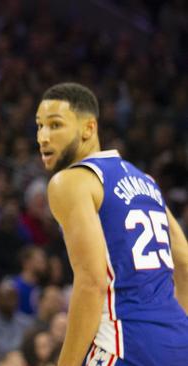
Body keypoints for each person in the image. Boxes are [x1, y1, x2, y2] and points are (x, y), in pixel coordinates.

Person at [36, 82, 188, 365]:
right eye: (39, 125)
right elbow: (185, 262)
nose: (43, 137)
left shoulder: (70, 182)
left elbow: (92, 282)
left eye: (55, 125)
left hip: (123, 344)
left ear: (88, 129)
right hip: (179, 342)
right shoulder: (146, 181)